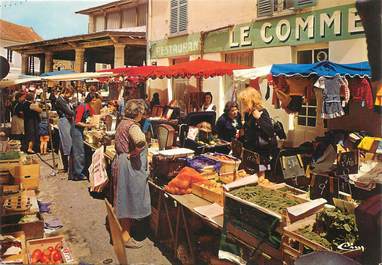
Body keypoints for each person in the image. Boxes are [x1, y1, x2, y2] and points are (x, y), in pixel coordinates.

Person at [112, 99, 151, 249]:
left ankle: (126, 232)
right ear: (138, 112)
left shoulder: (123, 122)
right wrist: (135, 152)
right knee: (128, 199)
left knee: (124, 198)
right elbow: (140, 141)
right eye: (142, 111)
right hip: (129, 166)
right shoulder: (133, 126)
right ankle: (126, 237)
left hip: (122, 163)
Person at [238, 87, 277, 174]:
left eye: (244, 102)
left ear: (251, 100)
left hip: (262, 152)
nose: (243, 104)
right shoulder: (248, 114)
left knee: (262, 173)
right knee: (250, 173)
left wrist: (259, 119)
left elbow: (270, 131)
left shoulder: (262, 112)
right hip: (251, 151)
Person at [69, 93, 95, 181]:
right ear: (91, 100)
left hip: (81, 130)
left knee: (83, 151)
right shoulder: (82, 107)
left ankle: (82, 170)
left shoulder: (89, 107)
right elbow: (77, 122)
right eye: (94, 101)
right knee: (79, 152)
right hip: (76, 130)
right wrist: (88, 125)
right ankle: (78, 174)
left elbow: (93, 116)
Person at [56, 86, 75, 172]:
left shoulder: (65, 100)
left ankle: (65, 165)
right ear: (66, 92)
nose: (70, 96)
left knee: (63, 143)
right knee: (67, 143)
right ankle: (67, 166)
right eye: (70, 94)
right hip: (64, 122)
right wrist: (76, 112)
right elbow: (68, 111)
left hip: (68, 121)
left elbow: (70, 109)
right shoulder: (60, 100)